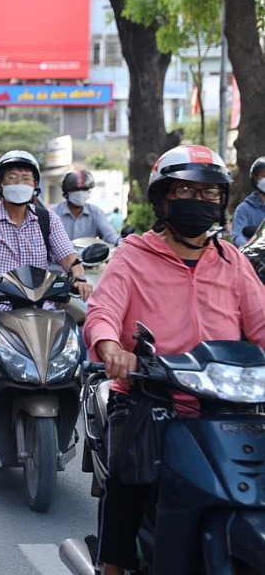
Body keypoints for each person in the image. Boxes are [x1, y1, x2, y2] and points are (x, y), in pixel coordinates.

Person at [84, 145, 265, 575]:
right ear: (163, 200)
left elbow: (260, 324)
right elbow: (103, 311)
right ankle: (112, 566)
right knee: (128, 481)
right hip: (153, 397)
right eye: (186, 191)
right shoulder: (133, 255)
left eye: (208, 194)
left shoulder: (233, 262)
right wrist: (111, 349)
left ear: (222, 201)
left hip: (230, 406)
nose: (198, 202)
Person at [0, 150, 92, 445]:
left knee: (76, 340)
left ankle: (71, 410)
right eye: (12, 177)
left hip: (42, 304)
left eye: (25, 177)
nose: (19, 182)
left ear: (36, 185)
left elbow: (69, 256)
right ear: (0, 183)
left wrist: (79, 278)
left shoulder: (46, 220)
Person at [50, 169, 121, 244]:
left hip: (88, 255)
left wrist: (121, 243)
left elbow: (110, 236)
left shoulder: (96, 213)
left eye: (84, 189)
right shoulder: (53, 213)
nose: (81, 193)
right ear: (66, 192)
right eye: (76, 189)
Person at [231, 156, 265, 247]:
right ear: (255, 179)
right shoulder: (244, 209)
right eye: (264, 176)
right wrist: (248, 248)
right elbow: (238, 235)